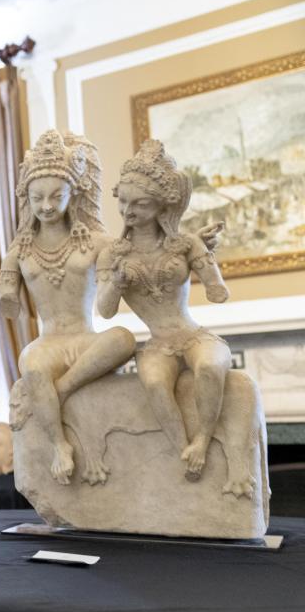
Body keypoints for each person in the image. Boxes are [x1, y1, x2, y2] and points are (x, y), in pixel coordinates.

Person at [0, 130, 137, 486]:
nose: (46, 205)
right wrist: (8, 284)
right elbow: (10, 309)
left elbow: (107, 312)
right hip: (49, 342)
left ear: (73, 194)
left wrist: (117, 280)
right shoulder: (18, 252)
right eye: (37, 197)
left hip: (86, 338)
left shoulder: (100, 243)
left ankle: (56, 394)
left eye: (55, 196)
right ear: (26, 199)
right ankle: (60, 445)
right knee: (31, 362)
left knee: (123, 337)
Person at [97, 139, 229, 481]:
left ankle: (202, 441)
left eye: (140, 204)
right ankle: (182, 449)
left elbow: (218, 293)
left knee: (211, 369)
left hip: (193, 334)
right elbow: (105, 310)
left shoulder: (184, 243)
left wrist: (203, 253)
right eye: (123, 202)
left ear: (162, 207)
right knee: (155, 383)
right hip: (157, 343)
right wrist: (116, 282)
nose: (128, 211)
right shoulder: (113, 255)